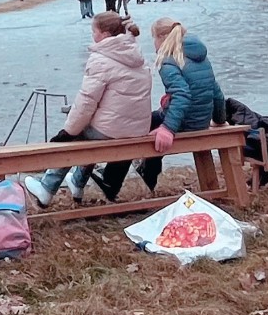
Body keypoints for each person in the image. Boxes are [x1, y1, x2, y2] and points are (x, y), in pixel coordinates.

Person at [22, 12, 152, 208]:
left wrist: (66, 132)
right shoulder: (136, 55)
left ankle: (46, 189)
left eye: (94, 31)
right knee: (88, 130)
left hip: (112, 131)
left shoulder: (101, 59)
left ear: (105, 34)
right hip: (136, 130)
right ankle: (77, 182)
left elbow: (86, 101)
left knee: (74, 135)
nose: (92, 35)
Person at [136, 17, 227, 193]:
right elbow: (216, 92)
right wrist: (219, 119)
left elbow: (181, 94)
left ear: (162, 38)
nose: (153, 43)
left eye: (153, 38)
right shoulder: (202, 58)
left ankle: (139, 175)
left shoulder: (169, 61)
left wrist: (168, 128)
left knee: (140, 123)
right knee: (156, 118)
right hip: (201, 121)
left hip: (184, 123)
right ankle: (147, 171)